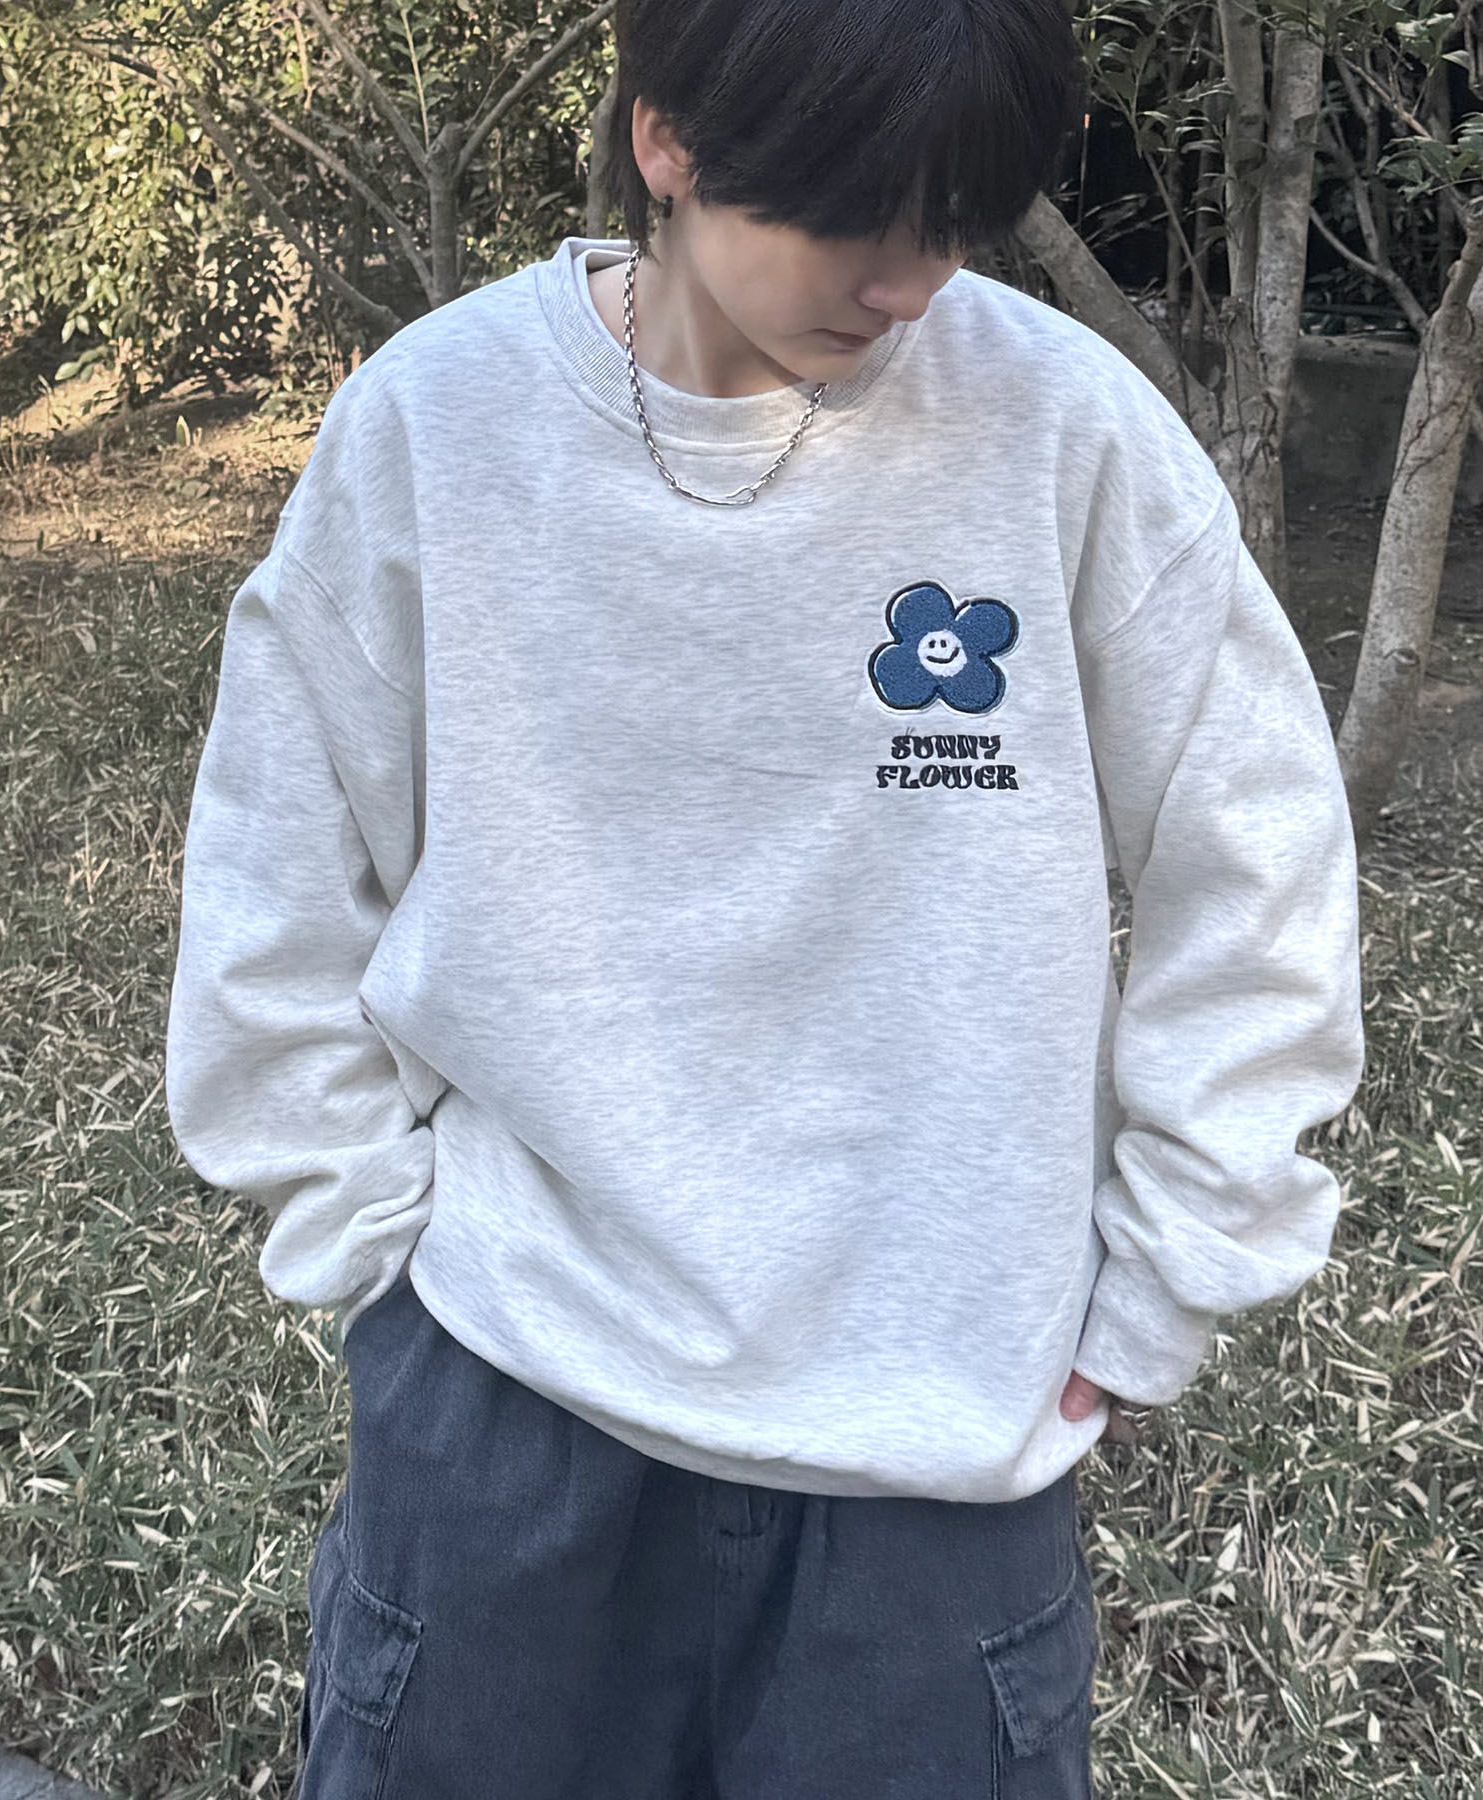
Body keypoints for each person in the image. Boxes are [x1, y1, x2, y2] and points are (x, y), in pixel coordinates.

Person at [163, 0, 1367, 1794]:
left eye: (953, 224)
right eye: (855, 216)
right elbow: (279, 868)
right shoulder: (436, 424)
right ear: (668, 136)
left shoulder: (1062, 431)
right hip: (506, 1405)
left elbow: (1257, 857)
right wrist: (370, 1247)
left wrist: (1176, 1266)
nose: (907, 284)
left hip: (937, 1455)